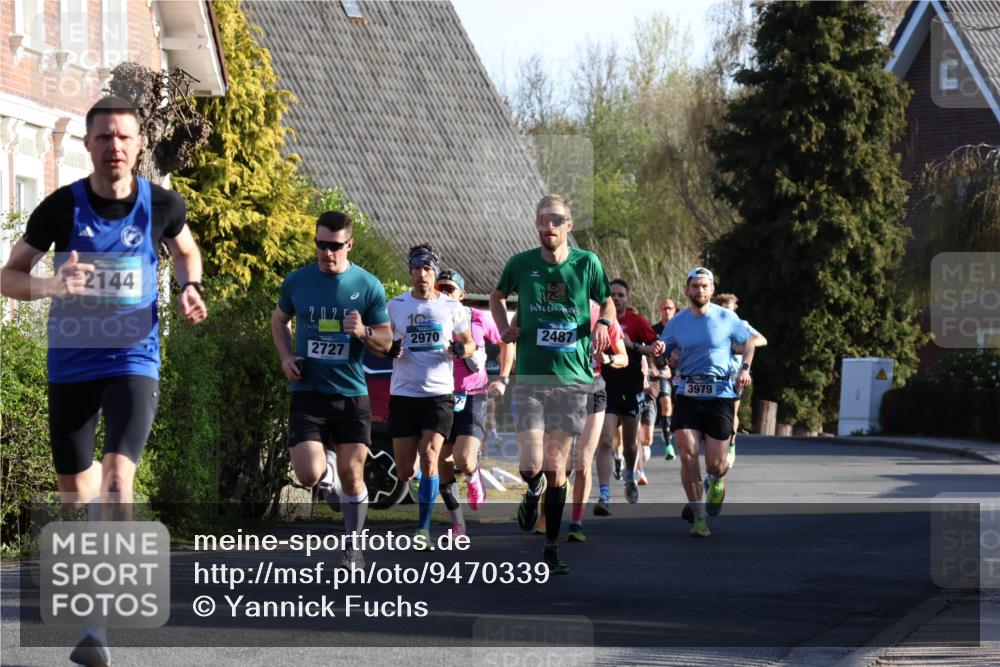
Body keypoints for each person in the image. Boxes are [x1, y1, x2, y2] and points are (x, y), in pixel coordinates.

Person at [0, 95, 208, 667]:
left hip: (133, 359)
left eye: (123, 137)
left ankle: (96, 625)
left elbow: (186, 252)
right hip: (71, 363)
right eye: (103, 137)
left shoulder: (162, 204)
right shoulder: (60, 208)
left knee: (118, 480)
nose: (114, 146)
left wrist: (190, 287)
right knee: (76, 493)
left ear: (138, 144)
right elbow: (9, 277)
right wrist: (51, 287)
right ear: (87, 145)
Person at [490, 194, 613, 574]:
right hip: (530, 378)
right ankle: (531, 488)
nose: (549, 226)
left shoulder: (586, 263)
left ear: (568, 225)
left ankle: (551, 547)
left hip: (573, 380)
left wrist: (605, 324)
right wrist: (505, 327)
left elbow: (606, 301)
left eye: (556, 220)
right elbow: (496, 296)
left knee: (558, 465)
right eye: (543, 220)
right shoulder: (521, 264)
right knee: (531, 464)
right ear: (537, 224)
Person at [272, 210, 393, 569]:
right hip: (308, 390)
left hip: (351, 394)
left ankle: (353, 548)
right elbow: (279, 321)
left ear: (349, 245)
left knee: (354, 474)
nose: (327, 253)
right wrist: (285, 356)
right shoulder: (297, 282)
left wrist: (363, 333)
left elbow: (386, 341)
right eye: (321, 245)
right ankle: (326, 476)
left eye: (335, 246)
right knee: (307, 473)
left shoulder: (368, 285)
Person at [388, 246, 474, 548]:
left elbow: (469, 342)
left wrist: (463, 350)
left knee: (429, 457)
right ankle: (420, 487)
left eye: (427, 269)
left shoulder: (452, 307)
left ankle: (422, 529)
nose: (422, 274)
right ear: (410, 272)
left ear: (434, 272)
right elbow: (384, 339)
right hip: (404, 394)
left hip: (439, 394)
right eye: (417, 268)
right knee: (405, 470)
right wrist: (390, 347)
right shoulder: (395, 305)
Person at [659, 268, 755, 538]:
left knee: (715, 464)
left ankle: (717, 480)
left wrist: (745, 369)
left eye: (705, 286)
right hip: (688, 393)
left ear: (712, 290)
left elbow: (749, 343)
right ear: (687, 290)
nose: (700, 291)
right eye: (695, 286)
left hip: (720, 394)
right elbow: (662, 352)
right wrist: (661, 355)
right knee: (687, 454)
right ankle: (699, 517)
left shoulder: (727, 317)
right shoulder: (677, 322)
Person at [434, 269, 510, 536]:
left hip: (473, 395)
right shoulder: (429, 317)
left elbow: (506, 341)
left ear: (462, 295)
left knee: (464, 459)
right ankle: (458, 523)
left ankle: (474, 474)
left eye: (450, 289)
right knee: (440, 460)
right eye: (440, 288)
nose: (444, 293)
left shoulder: (478, 317)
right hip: (437, 395)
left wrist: (502, 378)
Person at [595, 280, 664, 512]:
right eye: (612, 295)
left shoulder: (636, 321)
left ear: (627, 298)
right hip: (605, 387)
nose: (616, 299)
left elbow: (654, 347)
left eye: (620, 295)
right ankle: (604, 495)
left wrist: (632, 345)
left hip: (631, 387)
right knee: (605, 440)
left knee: (630, 444)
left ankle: (630, 475)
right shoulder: (598, 320)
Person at [712, 293, 767, 468]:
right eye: (725, 310)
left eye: (731, 310)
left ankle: (731, 445)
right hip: (714, 374)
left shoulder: (741, 325)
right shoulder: (712, 325)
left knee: (731, 412)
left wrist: (740, 347)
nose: (729, 314)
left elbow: (761, 340)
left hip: (736, 375)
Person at [652, 298, 678, 460]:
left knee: (676, 407)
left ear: (674, 310)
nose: (667, 311)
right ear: (660, 311)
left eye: (670, 308)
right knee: (666, 404)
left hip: (680, 373)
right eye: (664, 308)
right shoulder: (653, 329)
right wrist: (655, 368)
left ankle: (668, 429)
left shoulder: (680, 327)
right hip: (661, 373)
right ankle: (669, 445)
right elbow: (647, 351)